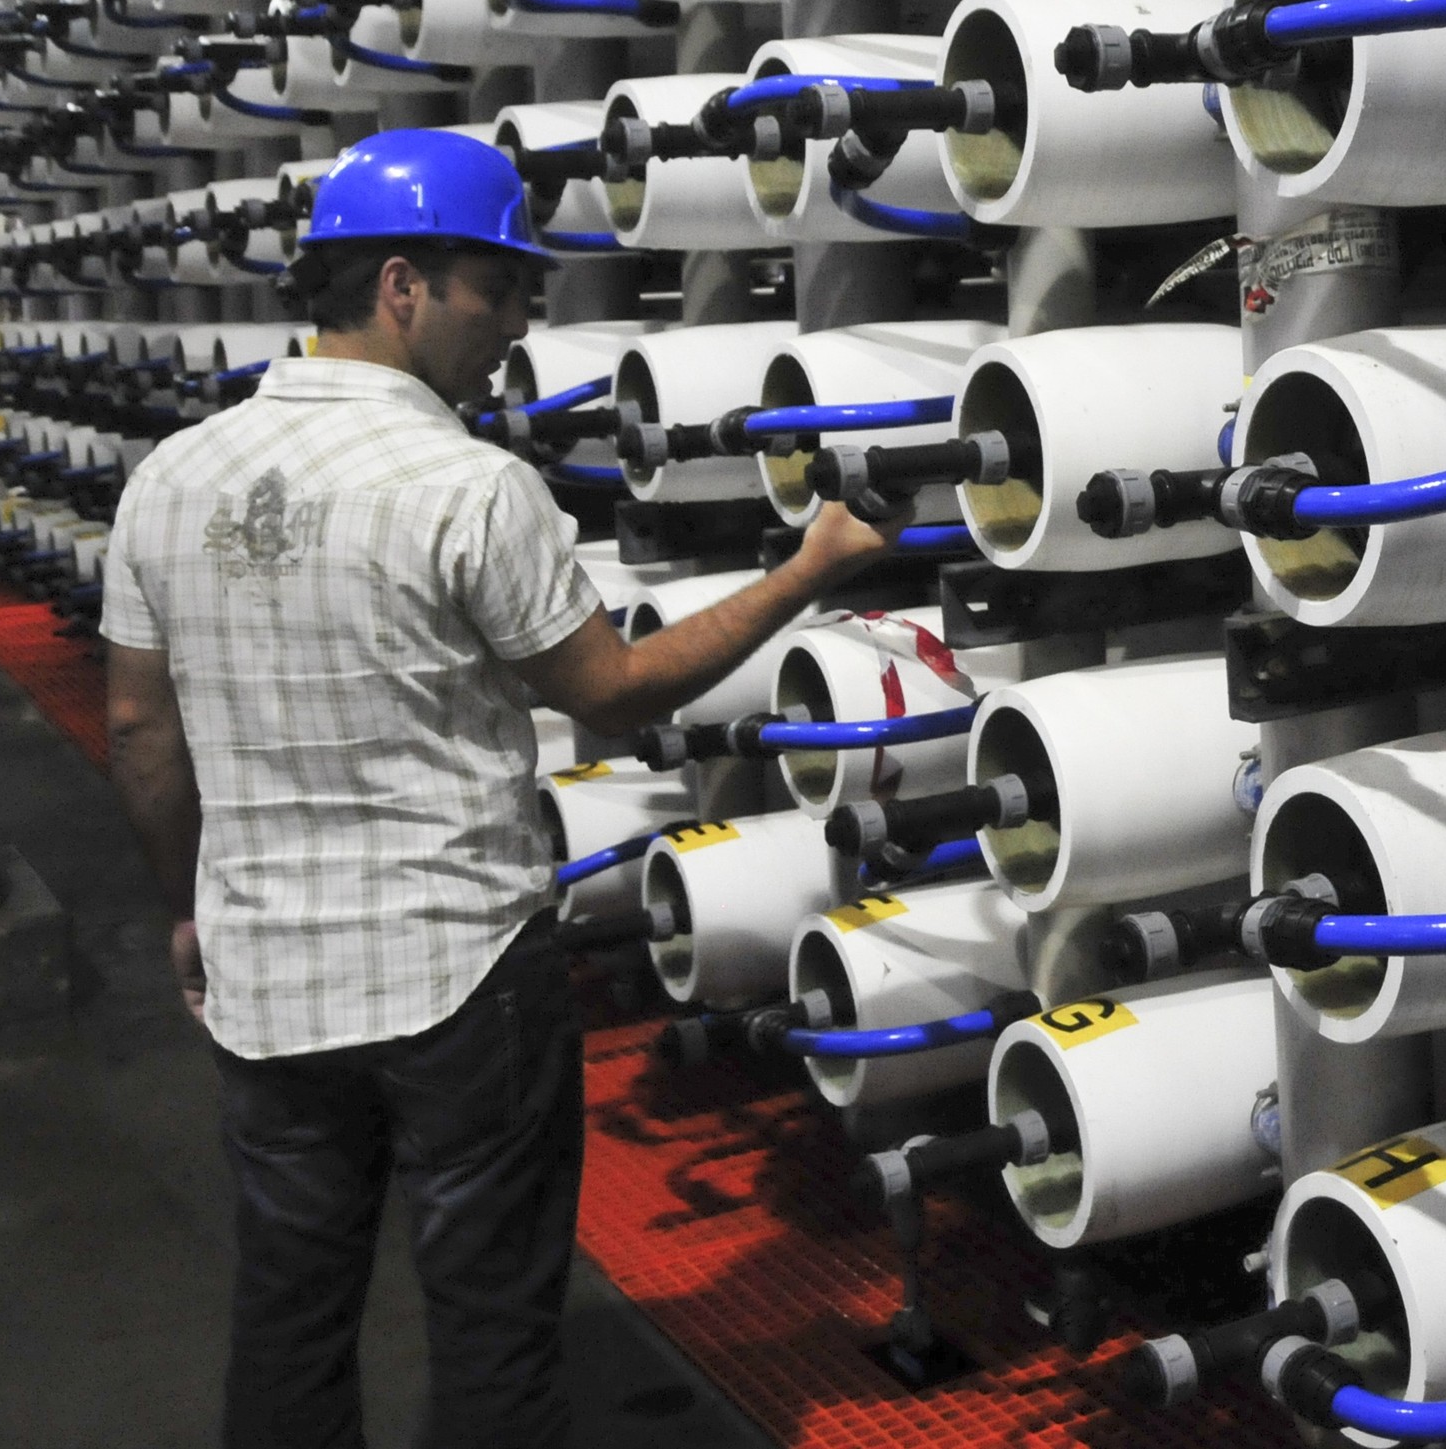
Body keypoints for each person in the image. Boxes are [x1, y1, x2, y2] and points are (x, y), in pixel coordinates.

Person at [99, 130, 902, 1449]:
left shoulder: (170, 479)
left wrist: (193, 907)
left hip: (266, 978)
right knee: (494, 1325)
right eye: (501, 289)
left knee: (289, 1314)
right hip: (459, 979)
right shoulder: (469, 486)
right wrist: (805, 569)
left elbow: (139, 730)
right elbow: (615, 692)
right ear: (405, 285)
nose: (520, 324)